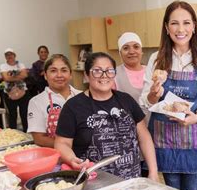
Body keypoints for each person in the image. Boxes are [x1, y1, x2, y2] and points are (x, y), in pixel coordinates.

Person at [139, 0, 197, 190]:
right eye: (174, 23)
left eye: (186, 23)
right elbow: (146, 101)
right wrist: (154, 94)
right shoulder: (156, 59)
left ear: (193, 26)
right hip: (165, 139)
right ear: (166, 27)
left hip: (195, 139)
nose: (180, 29)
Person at [55, 52, 159, 181]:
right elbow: (62, 143)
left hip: (132, 181)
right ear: (86, 75)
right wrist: (72, 159)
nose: (104, 76)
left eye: (109, 71)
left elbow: (144, 136)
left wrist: (153, 172)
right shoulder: (73, 106)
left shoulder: (126, 100)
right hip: (93, 183)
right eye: (97, 71)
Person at [27, 54, 81, 147]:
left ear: (70, 74)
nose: (59, 75)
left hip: (85, 154)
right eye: (53, 71)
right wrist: (71, 146)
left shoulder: (82, 96)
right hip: (56, 156)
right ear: (45, 75)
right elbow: (39, 139)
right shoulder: (36, 102)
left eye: (64, 70)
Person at [0, 48, 30, 132]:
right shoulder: (3, 66)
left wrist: (11, 77)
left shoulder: (20, 64)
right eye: (7, 55)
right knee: (12, 115)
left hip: (23, 93)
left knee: (24, 114)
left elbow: (24, 75)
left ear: (14, 55)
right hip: (9, 94)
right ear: (5, 57)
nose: (9, 56)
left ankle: (27, 132)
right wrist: (18, 76)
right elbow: (5, 78)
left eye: (11, 54)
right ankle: (13, 133)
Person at [115, 32, 145, 103]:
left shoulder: (151, 71)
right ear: (120, 53)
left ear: (141, 51)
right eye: (126, 48)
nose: (131, 51)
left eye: (136, 47)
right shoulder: (113, 74)